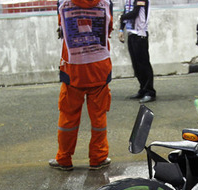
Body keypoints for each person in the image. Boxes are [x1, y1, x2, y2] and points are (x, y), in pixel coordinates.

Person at [49, 0, 113, 172]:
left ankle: (64, 159)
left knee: (68, 118)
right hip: (99, 68)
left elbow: (62, 29)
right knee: (98, 118)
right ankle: (98, 158)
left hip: (73, 71)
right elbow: (109, 29)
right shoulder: (106, 3)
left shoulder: (63, 4)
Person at [119, 0, 156, 103]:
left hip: (140, 34)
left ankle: (150, 92)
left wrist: (122, 18)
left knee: (143, 64)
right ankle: (143, 89)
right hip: (131, 33)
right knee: (136, 65)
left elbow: (135, 12)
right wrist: (121, 29)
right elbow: (126, 10)